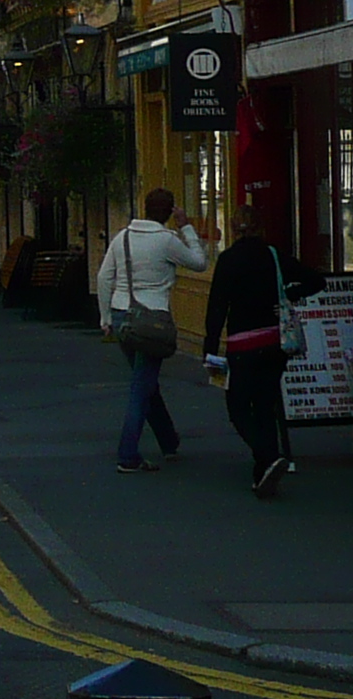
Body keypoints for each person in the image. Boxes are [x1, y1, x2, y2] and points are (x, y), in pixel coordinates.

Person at [97, 187, 208, 475]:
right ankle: (128, 455)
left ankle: (168, 441)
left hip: (123, 315)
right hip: (153, 321)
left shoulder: (122, 238)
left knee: (145, 381)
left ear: (144, 208)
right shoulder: (167, 241)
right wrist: (187, 228)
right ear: (170, 212)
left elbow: (104, 277)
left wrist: (105, 316)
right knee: (141, 387)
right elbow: (199, 263)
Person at [202, 208, 306, 498]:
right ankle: (263, 473)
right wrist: (289, 294)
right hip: (275, 342)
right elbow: (314, 281)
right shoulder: (274, 256)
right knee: (265, 405)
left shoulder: (228, 261)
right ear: (261, 227)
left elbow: (217, 307)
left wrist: (210, 347)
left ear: (233, 229)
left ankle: (267, 457)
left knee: (237, 407)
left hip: (241, 345)